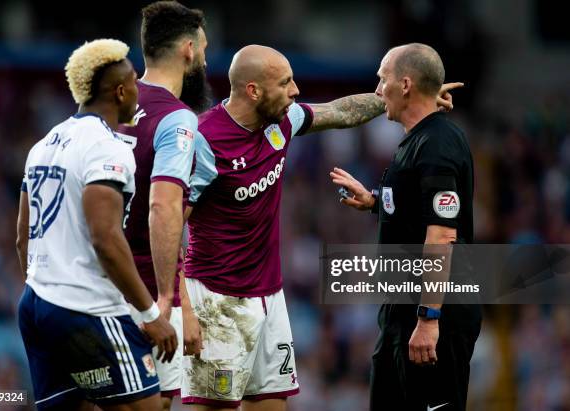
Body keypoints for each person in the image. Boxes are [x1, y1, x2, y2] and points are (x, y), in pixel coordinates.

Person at [182, 44, 460, 411]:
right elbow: (169, 222)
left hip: (268, 296)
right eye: (285, 83)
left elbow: (342, 112)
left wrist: (417, 98)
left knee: (272, 404)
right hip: (217, 300)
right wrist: (181, 306)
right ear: (253, 91)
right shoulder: (204, 140)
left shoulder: (282, 121)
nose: (296, 91)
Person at [16, 38, 177, 410]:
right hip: (85, 307)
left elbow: (21, 240)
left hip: (36, 305)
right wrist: (151, 315)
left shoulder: (42, 145)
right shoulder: (108, 147)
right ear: (121, 91)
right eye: (136, 81)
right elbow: (105, 238)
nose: (140, 90)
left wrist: (47, 294)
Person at [329, 43, 482, 411]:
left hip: (434, 311)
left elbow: (443, 233)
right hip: (401, 311)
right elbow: (418, 208)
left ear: (406, 84)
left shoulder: (437, 144)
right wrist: (374, 201)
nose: (378, 90)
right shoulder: (417, 141)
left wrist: (429, 317)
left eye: (383, 80)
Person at [116, 2, 208, 410]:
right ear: (188, 49)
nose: (205, 55)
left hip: (89, 284)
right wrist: (170, 299)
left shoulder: (107, 105)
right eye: (204, 47)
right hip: (142, 292)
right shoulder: (177, 118)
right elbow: (164, 209)